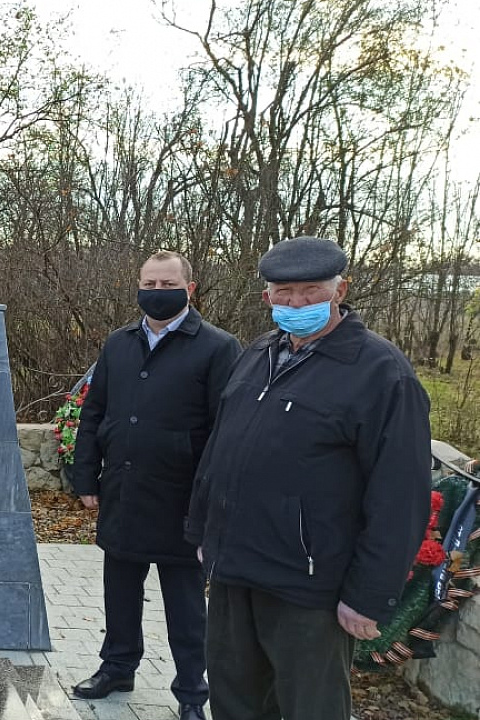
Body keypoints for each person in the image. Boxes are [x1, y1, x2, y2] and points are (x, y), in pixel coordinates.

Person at [186, 236, 433, 720]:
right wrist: (202, 533)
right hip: (236, 573)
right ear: (267, 297)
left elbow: (400, 497)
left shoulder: (381, 374)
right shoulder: (258, 354)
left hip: (309, 588)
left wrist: (367, 596)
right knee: (234, 701)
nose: (297, 302)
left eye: (311, 291)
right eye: (285, 291)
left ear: (340, 291)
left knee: (309, 708)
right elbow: (221, 450)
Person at [68, 251, 240, 720]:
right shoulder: (118, 343)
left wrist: (209, 499)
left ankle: (191, 693)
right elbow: (94, 413)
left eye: (168, 284)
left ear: (190, 288)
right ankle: (117, 667)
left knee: (185, 605)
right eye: (150, 283)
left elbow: (227, 429)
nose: (157, 291)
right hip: (123, 491)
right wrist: (86, 475)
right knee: (119, 591)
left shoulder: (218, 347)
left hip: (182, 501)